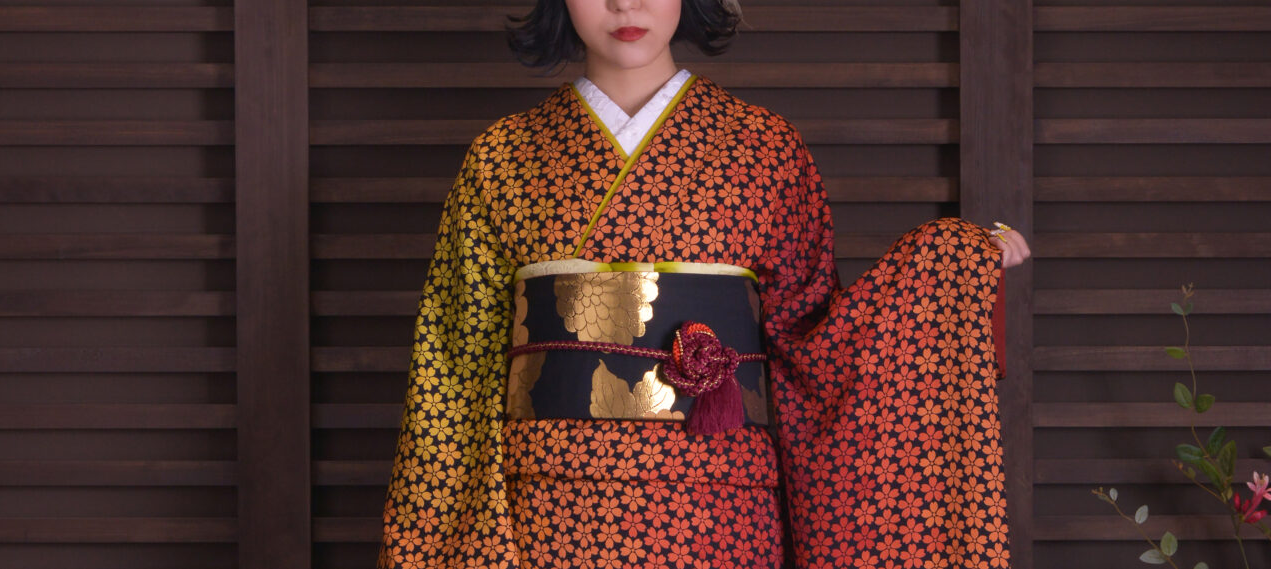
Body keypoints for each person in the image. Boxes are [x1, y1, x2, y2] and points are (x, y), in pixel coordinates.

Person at [376, 0, 1031, 567]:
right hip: (552, 501)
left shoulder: (766, 148)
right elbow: (455, 368)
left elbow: (818, 350)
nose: (625, 4)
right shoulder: (500, 158)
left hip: (721, 505)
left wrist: (950, 263)